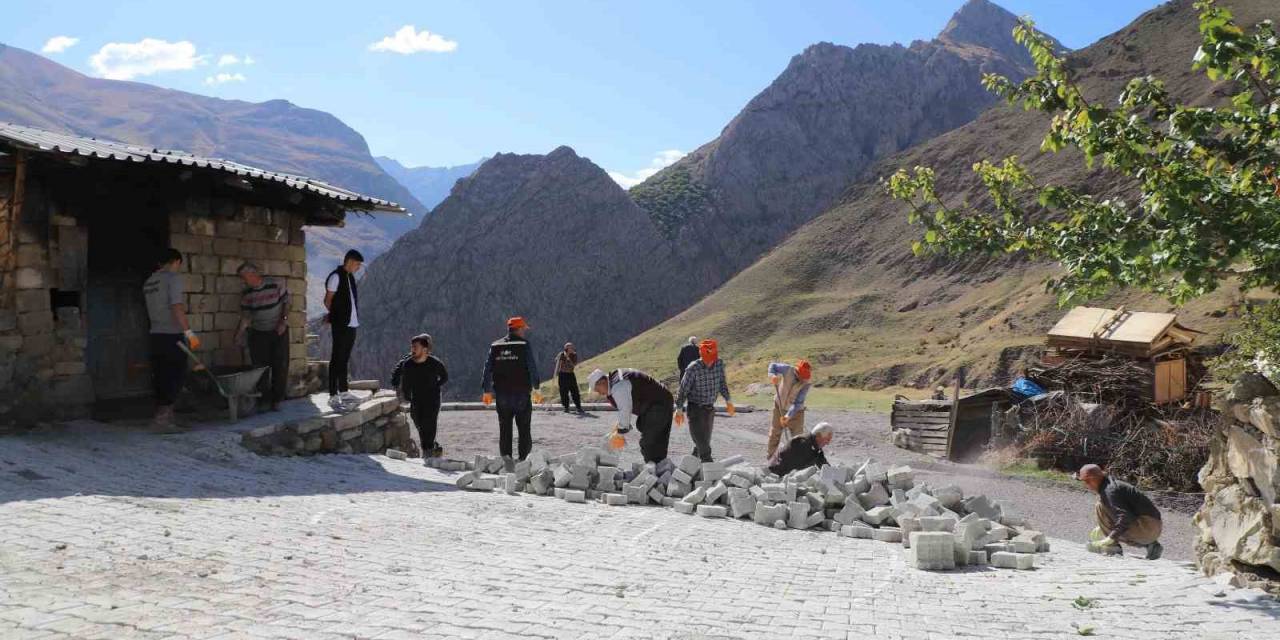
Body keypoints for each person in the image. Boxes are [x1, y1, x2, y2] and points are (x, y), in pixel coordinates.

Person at [143, 248, 198, 432]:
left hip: (156, 334)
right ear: (176, 261)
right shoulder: (172, 279)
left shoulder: (149, 281)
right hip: (172, 335)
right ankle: (161, 421)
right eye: (178, 265)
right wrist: (189, 333)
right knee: (175, 375)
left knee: (161, 375)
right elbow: (176, 306)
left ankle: (167, 418)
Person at [481, 317, 543, 462]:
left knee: (505, 430)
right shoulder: (524, 345)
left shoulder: (495, 346)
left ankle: (507, 462)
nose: (524, 332)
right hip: (521, 394)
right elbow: (532, 367)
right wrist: (537, 388)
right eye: (523, 329)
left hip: (502, 394)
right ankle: (523, 461)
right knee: (524, 429)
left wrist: (486, 390)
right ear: (519, 329)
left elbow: (487, 368)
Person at [1077, 464, 1164, 560]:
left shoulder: (1110, 491)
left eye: (1086, 481)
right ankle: (1151, 545)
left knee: (1100, 506)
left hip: (1146, 527)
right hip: (1154, 528)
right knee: (1116, 522)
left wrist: (1110, 538)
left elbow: (1125, 517)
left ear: (1092, 479)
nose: (1086, 485)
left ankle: (1112, 547)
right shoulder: (1110, 485)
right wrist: (1102, 527)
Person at [587, 367, 674, 463]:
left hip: (659, 404)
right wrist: (619, 426)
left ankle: (654, 468)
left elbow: (625, 408)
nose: (599, 393)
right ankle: (660, 466)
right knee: (647, 430)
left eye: (597, 389)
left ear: (602, 382)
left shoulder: (619, 385)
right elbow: (625, 406)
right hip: (655, 404)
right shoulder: (614, 382)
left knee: (649, 443)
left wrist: (620, 432)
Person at [234, 263, 289, 411]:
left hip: (278, 330)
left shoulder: (275, 284)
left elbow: (286, 303)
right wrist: (239, 335)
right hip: (258, 332)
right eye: (243, 278)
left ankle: (277, 400)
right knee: (260, 367)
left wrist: (283, 321)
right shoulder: (247, 294)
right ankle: (264, 400)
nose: (245, 280)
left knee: (280, 365)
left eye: (245, 277)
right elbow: (246, 318)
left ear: (254, 274)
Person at [391, 334, 448, 458]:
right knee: (417, 420)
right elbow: (403, 377)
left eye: (415, 347)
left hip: (432, 398)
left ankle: (428, 451)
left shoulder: (434, 362)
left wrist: (435, 386)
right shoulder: (408, 362)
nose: (413, 349)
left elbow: (444, 377)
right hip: (416, 397)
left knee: (429, 422)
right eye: (412, 347)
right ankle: (432, 446)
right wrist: (405, 392)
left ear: (426, 348)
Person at [675, 339, 733, 462]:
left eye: (712, 358)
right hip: (695, 409)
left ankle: (692, 464)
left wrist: (728, 400)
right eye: (707, 359)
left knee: (703, 441)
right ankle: (708, 464)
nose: (710, 362)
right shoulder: (693, 368)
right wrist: (679, 409)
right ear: (701, 355)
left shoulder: (719, 364)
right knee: (703, 446)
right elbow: (683, 390)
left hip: (709, 409)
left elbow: (722, 383)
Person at [324, 249, 363, 408]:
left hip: (352, 324)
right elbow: (328, 300)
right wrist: (335, 317)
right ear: (350, 262)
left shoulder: (350, 277)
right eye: (357, 264)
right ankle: (333, 394)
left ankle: (344, 391)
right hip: (341, 324)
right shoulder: (336, 277)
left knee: (345, 358)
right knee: (336, 358)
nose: (358, 268)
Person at [766, 360, 813, 458]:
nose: (803, 379)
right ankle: (771, 458)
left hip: (796, 412)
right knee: (775, 433)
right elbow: (772, 365)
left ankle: (796, 460)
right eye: (802, 376)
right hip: (779, 406)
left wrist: (788, 416)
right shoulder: (788, 369)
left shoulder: (806, 383)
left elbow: (798, 403)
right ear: (798, 371)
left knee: (797, 436)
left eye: (805, 377)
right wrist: (772, 376)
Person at [768, 422, 833, 476]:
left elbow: (823, 464)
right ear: (818, 436)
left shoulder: (815, 445)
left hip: (786, 472)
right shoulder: (802, 443)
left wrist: (833, 474)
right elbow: (798, 471)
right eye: (827, 439)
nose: (828, 443)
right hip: (776, 473)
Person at [554, 342, 583, 414]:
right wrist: (560, 358)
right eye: (570, 348)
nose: (572, 349)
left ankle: (578, 407)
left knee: (575, 391)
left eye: (572, 347)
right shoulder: (561, 354)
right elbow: (556, 361)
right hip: (562, 375)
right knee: (563, 391)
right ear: (566, 348)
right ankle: (566, 407)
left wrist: (568, 358)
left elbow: (574, 364)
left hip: (570, 374)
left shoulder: (574, 355)